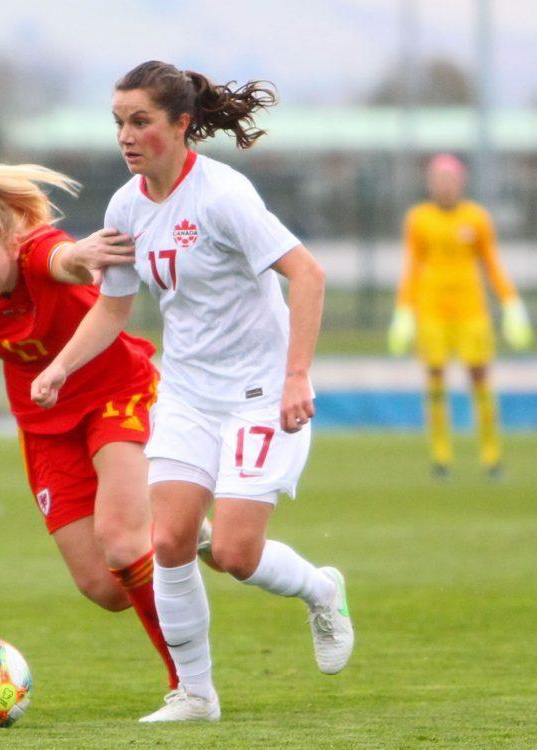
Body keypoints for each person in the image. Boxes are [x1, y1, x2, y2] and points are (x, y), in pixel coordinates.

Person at [31, 60, 354, 722]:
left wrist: (296, 377)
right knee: (171, 541)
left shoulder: (223, 196)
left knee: (234, 553)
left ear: (181, 126)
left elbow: (309, 274)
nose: (125, 135)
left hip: (260, 393)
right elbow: (114, 308)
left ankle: (321, 589)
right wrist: (61, 366)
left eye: (140, 121)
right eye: (118, 122)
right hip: (185, 395)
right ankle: (195, 694)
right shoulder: (124, 206)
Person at [0, 163, 182, 693]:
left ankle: (188, 682)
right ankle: (177, 533)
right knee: (105, 588)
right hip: (45, 424)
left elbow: (64, 258)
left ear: (11, 242)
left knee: (119, 540)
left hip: (116, 392)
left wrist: (82, 255)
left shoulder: (40, 252)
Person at [388, 153, 532, 478]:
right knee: (436, 382)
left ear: (460, 182)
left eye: (449, 179)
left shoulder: (477, 218)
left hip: (471, 311)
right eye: (438, 179)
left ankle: (491, 456)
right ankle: (441, 457)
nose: (444, 185)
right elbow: (412, 267)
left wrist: (511, 303)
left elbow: (491, 264)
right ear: (430, 184)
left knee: (480, 380)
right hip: (433, 311)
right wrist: (403, 310)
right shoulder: (419, 219)